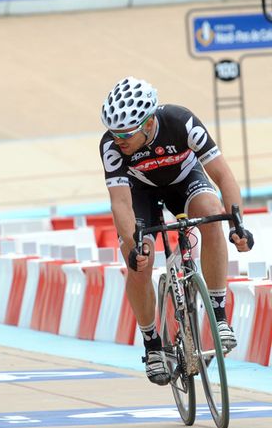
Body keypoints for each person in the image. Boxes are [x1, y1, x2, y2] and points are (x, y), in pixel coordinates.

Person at [98, 76, 254, 386]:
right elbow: (120, 204)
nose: (119, 139)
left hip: (184, 181)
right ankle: (152, 344)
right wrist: (134, 247)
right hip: (139, 192)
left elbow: (223, 176)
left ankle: (219, 316)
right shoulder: (110, 146)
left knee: (211, 215)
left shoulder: (182, 122)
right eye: (114, 132)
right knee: (139, 258)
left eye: (126, 133)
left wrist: (238, 225)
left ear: (148, 122)